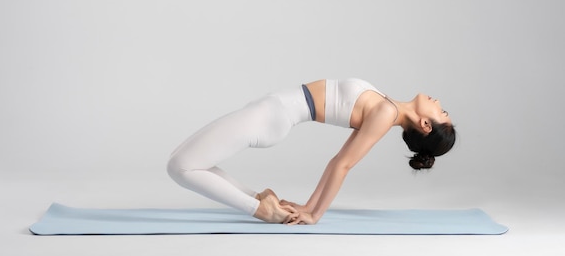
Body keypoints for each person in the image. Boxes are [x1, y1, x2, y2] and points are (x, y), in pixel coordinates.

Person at [167, 78, 456, 225]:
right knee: (187, 162)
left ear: (426, 124)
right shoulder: (386, 106)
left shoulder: (385, 113)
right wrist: (307, 207)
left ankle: (260, 210)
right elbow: (336, 162)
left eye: (441, 110)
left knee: (179, 167)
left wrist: (316, 214)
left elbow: (343, 165)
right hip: (271, 110)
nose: (438, 101)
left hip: (272, 117)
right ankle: (259, 199)